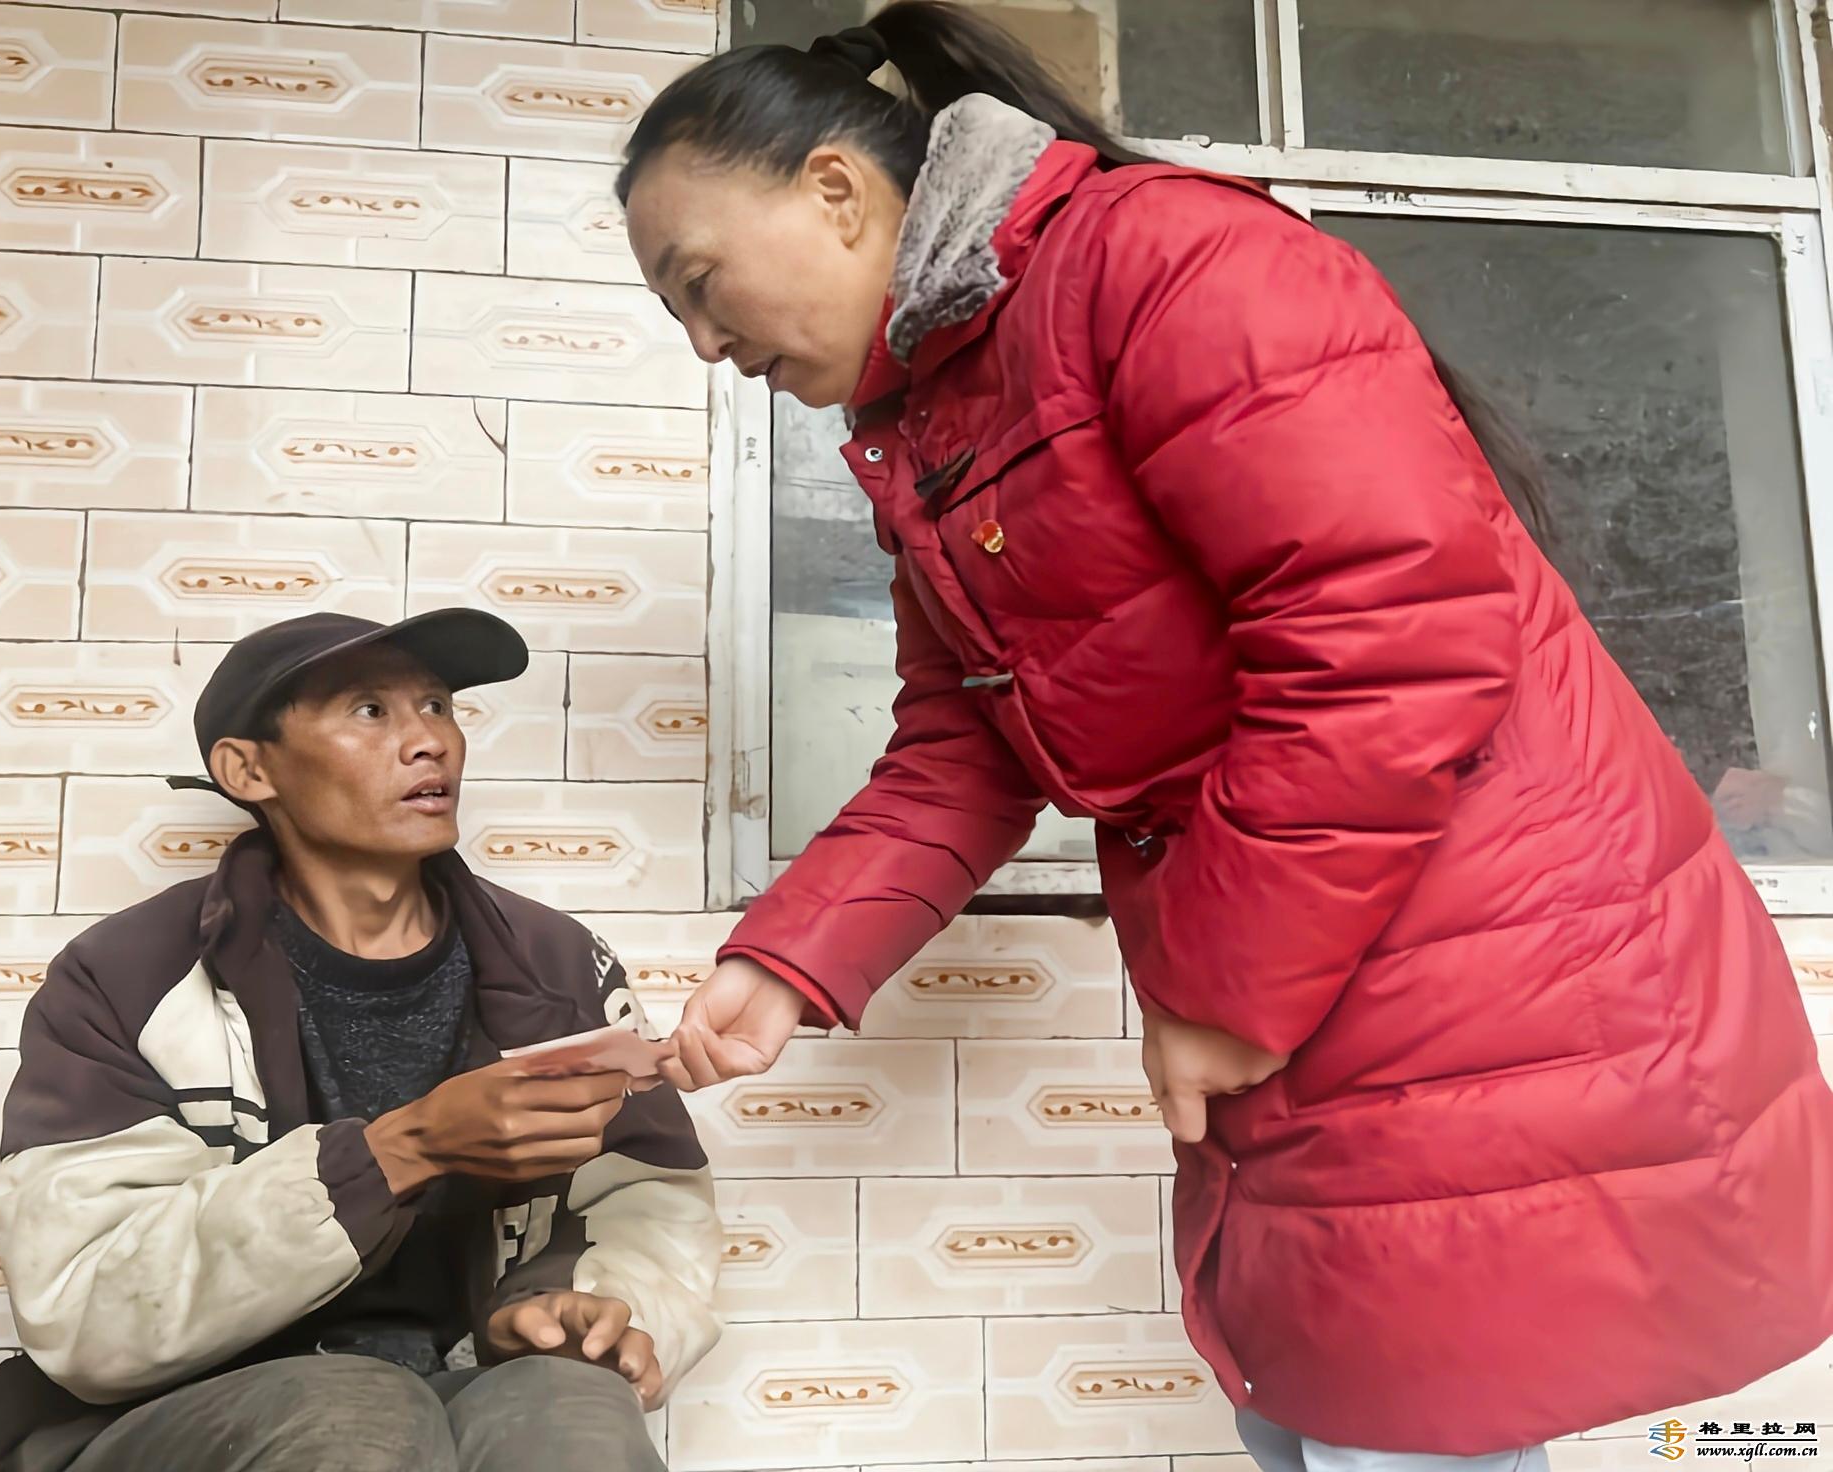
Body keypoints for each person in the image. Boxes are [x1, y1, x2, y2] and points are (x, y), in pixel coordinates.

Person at [618, 3, 1833, 1467]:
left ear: (833, 189)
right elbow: (966, 747)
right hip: (1317, 963)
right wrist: (790, 959)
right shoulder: (938, 417)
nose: (706, 343)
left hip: (1481, 960)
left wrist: (1224, 992)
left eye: (701, 284)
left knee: (1401, 1416)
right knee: (1312, 1407)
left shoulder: (1160, 261)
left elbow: (1391, 638)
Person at [0, 611, 720, 1472]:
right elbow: (85, 1306)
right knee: (358, 1410)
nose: (430, 741)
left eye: (437, 705)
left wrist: (572, 1308)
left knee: (571, 1414)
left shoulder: (554, 962)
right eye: (370, 711)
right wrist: (398, 1153)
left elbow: (650, 1197)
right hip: (183, 1412)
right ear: (249, 769)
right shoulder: (126, 974)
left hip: (462, 1379)